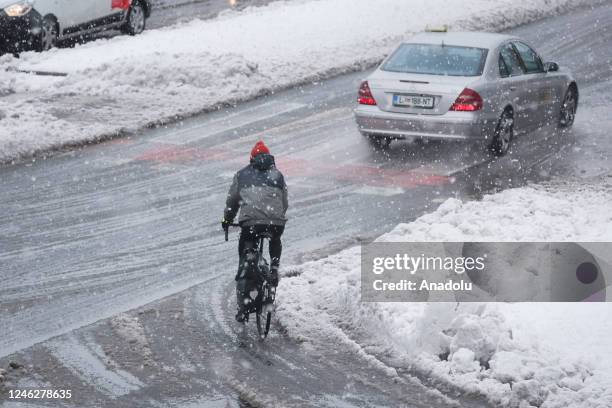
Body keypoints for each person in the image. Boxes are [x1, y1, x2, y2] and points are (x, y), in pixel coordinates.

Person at [222, 140, 288, 322]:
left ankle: (244, 305)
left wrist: (227, 220)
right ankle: (274, 267)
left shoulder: (242, 174)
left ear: (251, 158)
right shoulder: (278, 175)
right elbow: (284, 202)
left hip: (250, 223)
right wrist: (275, 217)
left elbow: (232, 201)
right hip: (275, 222)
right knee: (275, 239)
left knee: (246, 253)